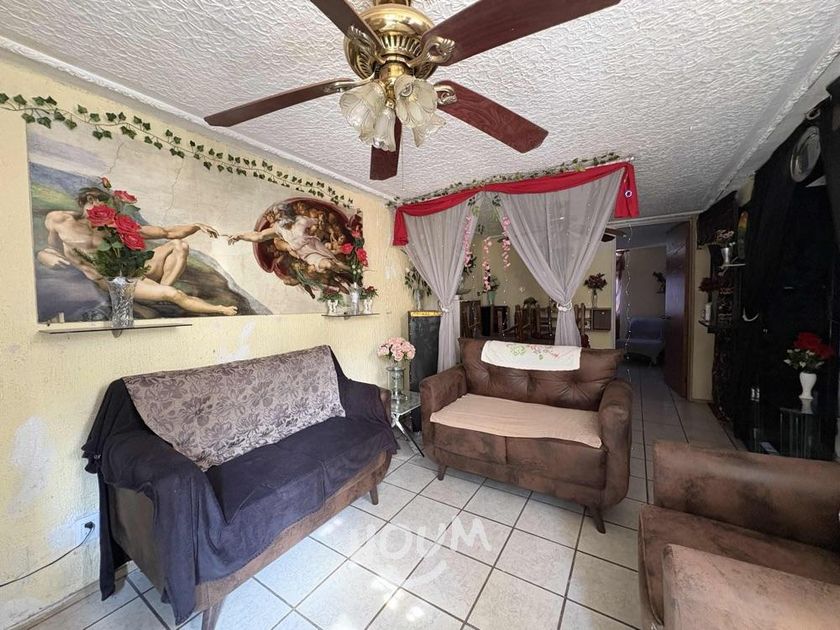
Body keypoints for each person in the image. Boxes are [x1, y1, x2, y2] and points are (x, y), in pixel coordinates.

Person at [36, 190, 238, 316]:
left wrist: (196, 226)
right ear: (89, 200)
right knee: (174, 294)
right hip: (111, 280)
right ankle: (213, 308)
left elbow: (166, 232)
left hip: (133, 272)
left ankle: (161, 291)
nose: (108, 213)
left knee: (179, 245)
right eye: (105, 207)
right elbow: (52, 246)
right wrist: (47, 256)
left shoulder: (113, 226)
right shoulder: (59, 220)